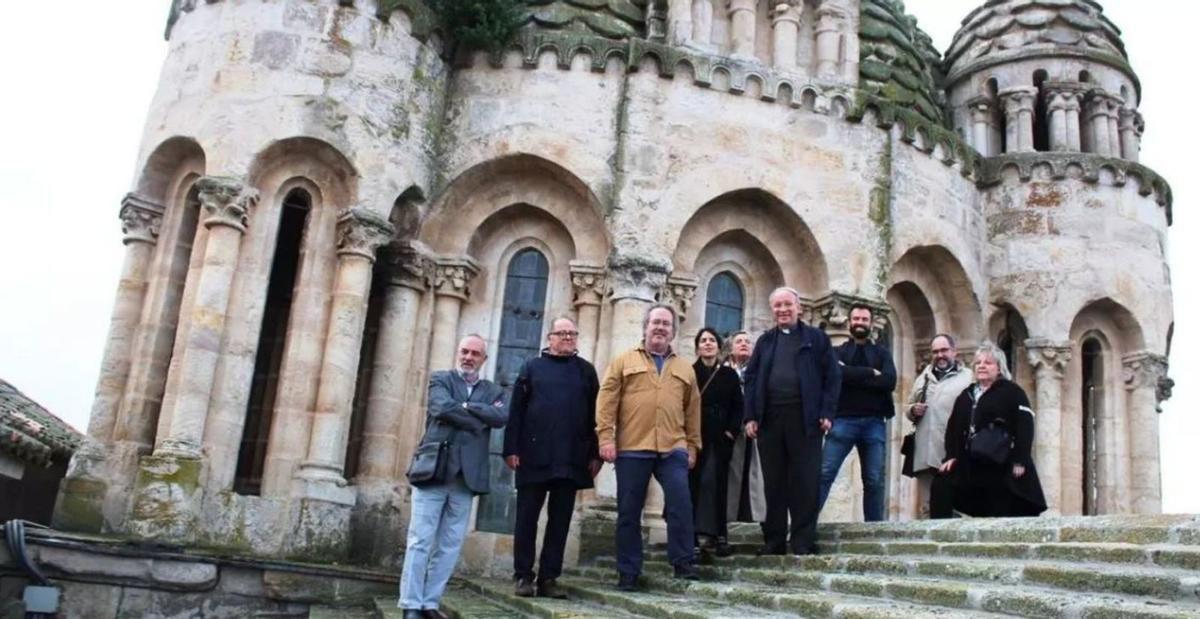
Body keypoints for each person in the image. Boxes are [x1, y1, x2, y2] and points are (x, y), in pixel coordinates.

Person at [399, 335, 507, 619]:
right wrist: (476, 418)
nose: (468, 357)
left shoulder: (494, 389)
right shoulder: (441, 380)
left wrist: (464, 408)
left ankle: (430, 603)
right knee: (420, 541)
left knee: (449, 546)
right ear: (458, 353)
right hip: (433, 470)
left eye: (475, 353)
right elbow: (440, 407)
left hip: (465, 478)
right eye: (464, 351)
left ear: (484, 359)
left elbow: (500, 417)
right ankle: (411, 605)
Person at [596, 304, 701, 591]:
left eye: (666, 324)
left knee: (681, 502)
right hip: (632, 446)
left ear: (673, 332)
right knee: (629, 511)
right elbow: (606, 402)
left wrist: (692, 445)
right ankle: (628, 572)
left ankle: (683, 561)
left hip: (673, 447)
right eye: (655, 322)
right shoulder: (623, 361)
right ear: (645, 327)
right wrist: (606, 438)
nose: (660, 327)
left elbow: (693, 410)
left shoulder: (684, 368)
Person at [502, 317, 601, 599]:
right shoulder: (531, 368)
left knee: (560, 521)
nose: (568, 337)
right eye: (562, 333)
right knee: (526, 519)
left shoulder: (586, 371)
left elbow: (596, 415)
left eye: (572, 333)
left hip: (571, 457)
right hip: (533, 455)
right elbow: (516, 412)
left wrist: (595, 453)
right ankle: (523, 576)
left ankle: (549, 578)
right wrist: (511, 449)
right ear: (550, 338)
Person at [743, 287, 840, 556]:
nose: (782, 310)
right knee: (773, 483)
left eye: (787, 304)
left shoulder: (817, 339)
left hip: (806, 419)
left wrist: (827, 413)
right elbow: (751, 379)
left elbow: (833, 377)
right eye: (777, 306)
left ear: (799, 307)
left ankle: (802, 541)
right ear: (772, 310)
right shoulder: (764, 342)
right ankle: (773, 541)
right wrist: (750, 416)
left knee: (805, 481)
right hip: (770, 420)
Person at [939, 342, 1047, 517]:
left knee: (1001, 505)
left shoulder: (1012, 392)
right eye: (978, 363)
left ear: (999, 368)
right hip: (972, 461)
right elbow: (953, 429)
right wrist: (951, 456)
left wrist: (1020, 460)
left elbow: (1025, 426)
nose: (981, 366)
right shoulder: (966, 395)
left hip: (1001, 460)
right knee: (942, 484)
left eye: (988, 362)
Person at [817, 304, 897, 522]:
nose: (860, 322)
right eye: (856, 319)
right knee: (824, 474)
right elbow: (836, 374)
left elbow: (890, 381)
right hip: (843, 420)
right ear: (850, 322)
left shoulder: (882, 352)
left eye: (864, 319)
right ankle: (804, 527)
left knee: (874, 480)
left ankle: (874, 529)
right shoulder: (837, 352)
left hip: (874, 422)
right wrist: (871, 373)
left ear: (871, 323)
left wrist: (850, 375)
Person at [689, 327, 743, 558]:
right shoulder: (689, 373)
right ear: (697, 346)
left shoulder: (729, 375)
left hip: (720, 438)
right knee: (694, 485)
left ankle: (719, 535)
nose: (708, 344)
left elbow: (738, 405)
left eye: (712, 340)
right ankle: (692, 536)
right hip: (695, 435)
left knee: (718, 485)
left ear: (719, 347)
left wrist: (731, 431)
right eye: (703, 340)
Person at [905, 334, 971, 518]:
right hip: (924, 453)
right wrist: (912, 410)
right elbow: (908, 407)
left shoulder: (968, 378)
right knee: (927, 508)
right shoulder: (922, 378)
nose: (940, 355)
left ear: (954, 351)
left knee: (956, 507)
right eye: (935, 351)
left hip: (953, 454)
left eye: (944, 350)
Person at [724, 331, 765, 525]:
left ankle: (754, 516)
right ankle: (728, 516)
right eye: (739, 341)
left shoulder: (760, 371)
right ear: (730, 349)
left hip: (755, 428)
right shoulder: (723, 372)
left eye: (748, 342)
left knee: (754, 472)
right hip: (730, 429)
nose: (744, 344)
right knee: (731, 471)